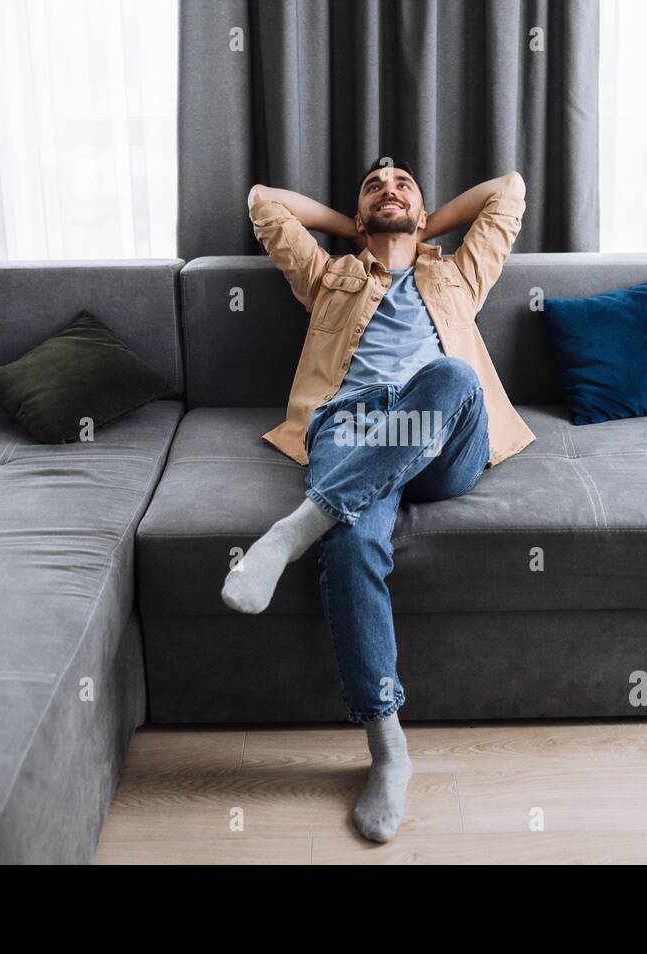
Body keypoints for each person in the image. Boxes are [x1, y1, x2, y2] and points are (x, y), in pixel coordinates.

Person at [222, 158, 535, 841]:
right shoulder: (331, 275)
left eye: (404, 186)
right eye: (373, 186)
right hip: (354, 425)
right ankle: (389, 750)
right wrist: (358, 226)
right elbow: (264, 202)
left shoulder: (457, 271)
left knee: (452, 373)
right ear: (359, 216)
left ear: (424, 213)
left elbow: (507, 190)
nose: (389, 189)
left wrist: (421, 223)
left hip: (445, 429)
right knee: (353, 540)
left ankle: (290, 531)